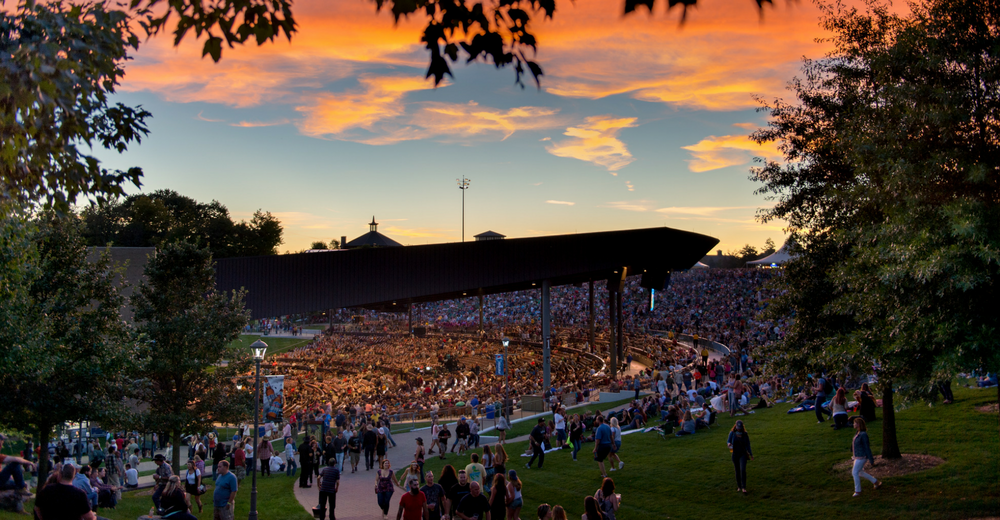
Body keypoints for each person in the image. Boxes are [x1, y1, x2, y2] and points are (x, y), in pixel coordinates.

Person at [850, 418, 882, 497]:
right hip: (857, 456)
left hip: (862, 457)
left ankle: (858, 491)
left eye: (855, 423)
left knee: (854, 472)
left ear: (858, 424)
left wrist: (871, 459)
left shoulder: (863, 434)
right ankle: (876, 482)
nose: (853, 424)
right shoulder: (857, 433)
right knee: (860, 472)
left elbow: (867, 447)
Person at [727, 420, 754, 494]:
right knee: (737, 470)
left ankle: (744, 487)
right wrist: (729, 444)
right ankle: (739, 486)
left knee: (742, 470)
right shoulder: (732, 433)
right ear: (735, 426)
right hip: (735, 454)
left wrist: (751, 454)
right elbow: (728, 441)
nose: (739, 429)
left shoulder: (745, 434)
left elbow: (748, 444)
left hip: (743, 454)